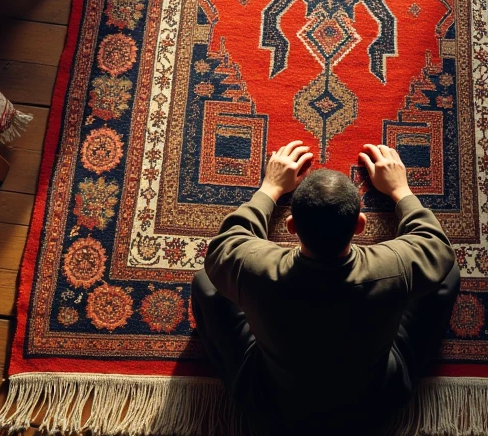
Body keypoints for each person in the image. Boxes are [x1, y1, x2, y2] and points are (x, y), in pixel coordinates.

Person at [191, 139, 459, 436]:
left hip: (274, 408)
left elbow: (222, 249)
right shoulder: (392, 268)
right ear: (360, 225)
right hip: (372, 406)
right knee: (445, 274)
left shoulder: (255, 269)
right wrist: (400, 190)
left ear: (291, 226)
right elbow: (437, 247)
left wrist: (270, 189)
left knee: (207, 281)